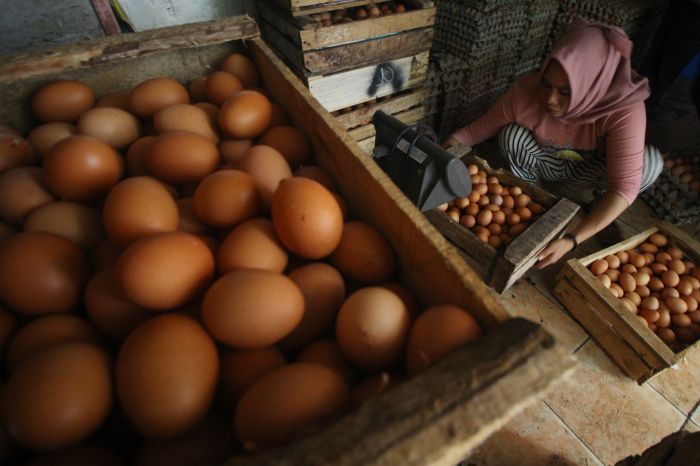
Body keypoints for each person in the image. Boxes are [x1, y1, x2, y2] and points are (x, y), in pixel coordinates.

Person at [442, 16, 663, 269]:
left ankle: (597, 206)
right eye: (547, 84)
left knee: (650, 163)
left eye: (565, 91)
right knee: (511, 136)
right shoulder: (527, 92)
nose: (550, 99)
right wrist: (439, 156)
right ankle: (537, 198)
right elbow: (471, 134)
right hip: (546, 164)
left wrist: (572, 239)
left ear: (593, 85)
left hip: (590, 174)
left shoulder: (623, 109)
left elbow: (624, 188)